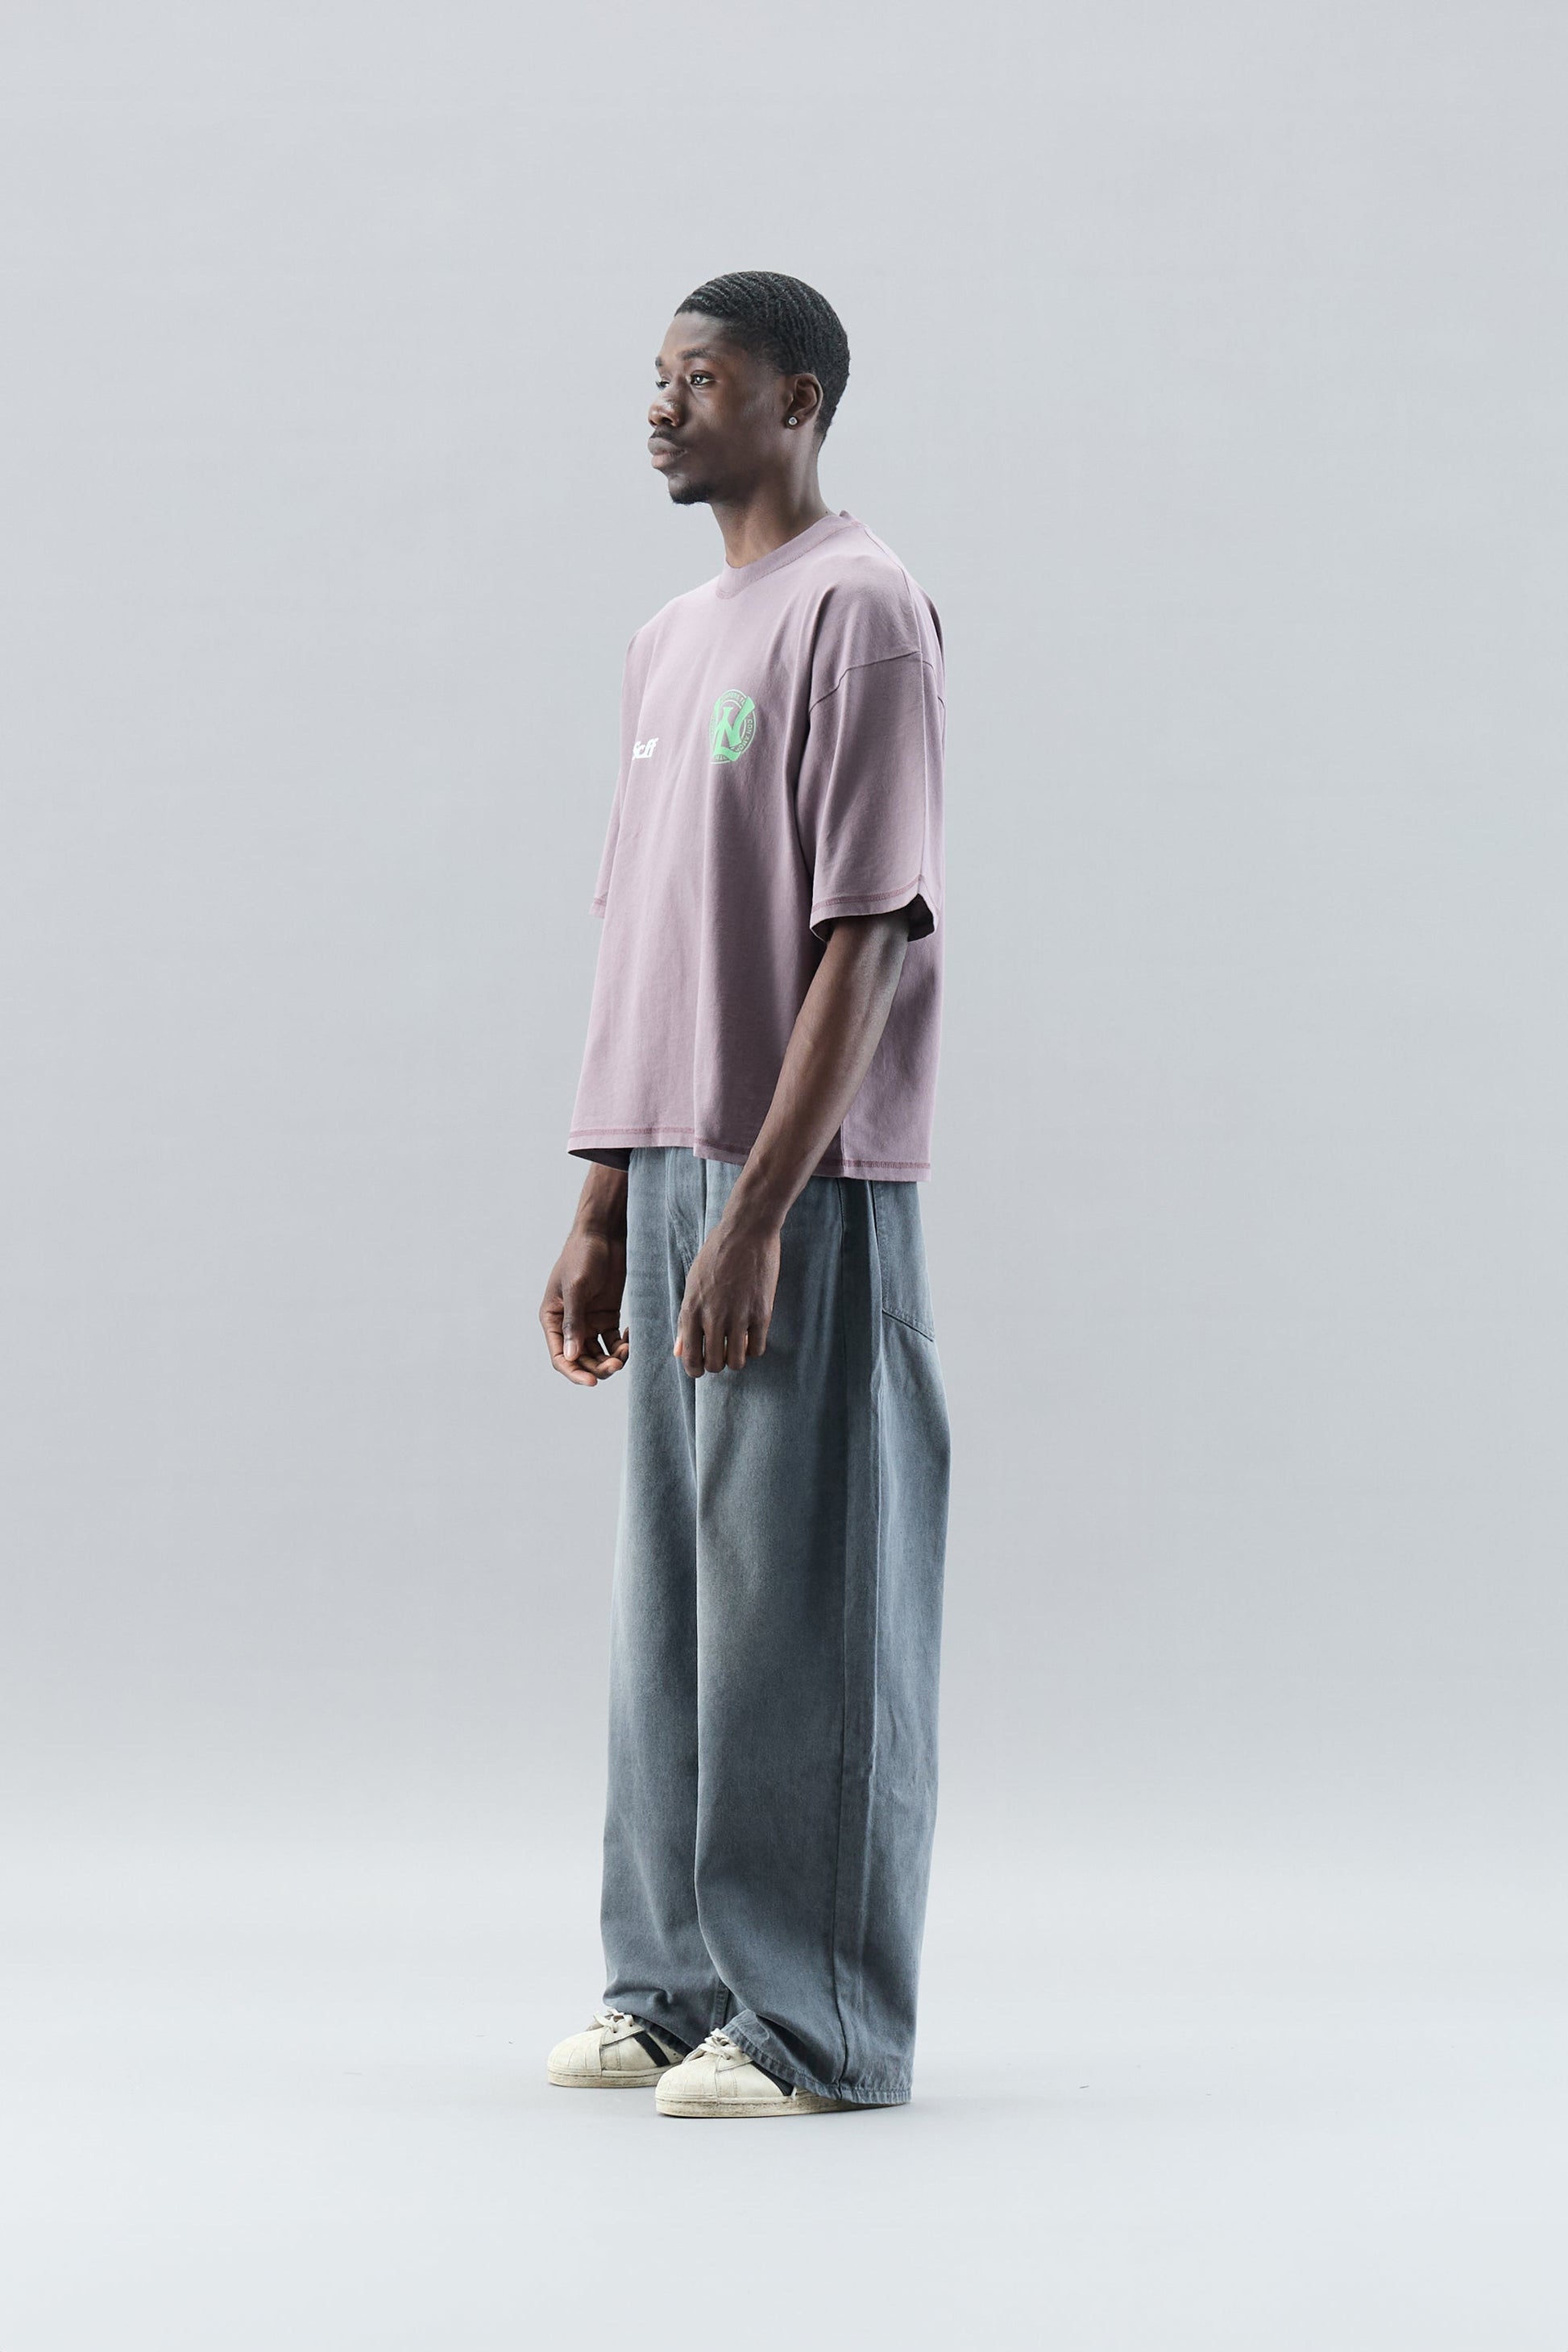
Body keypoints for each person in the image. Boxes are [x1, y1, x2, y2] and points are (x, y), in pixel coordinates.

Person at [539, 272, 949, 2118]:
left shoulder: (862, 611)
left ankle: (817, 2018)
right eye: (656, 377)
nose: (661, 405)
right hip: (668, 1160)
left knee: (806, 1594)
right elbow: (639, 936)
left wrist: (765, 1208)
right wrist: (603, 1200)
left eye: (699, 378)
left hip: (805, 1175)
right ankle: (673, 1983)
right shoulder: (664, 642)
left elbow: (869, 931)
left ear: (796, 398)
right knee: (677, 1602)